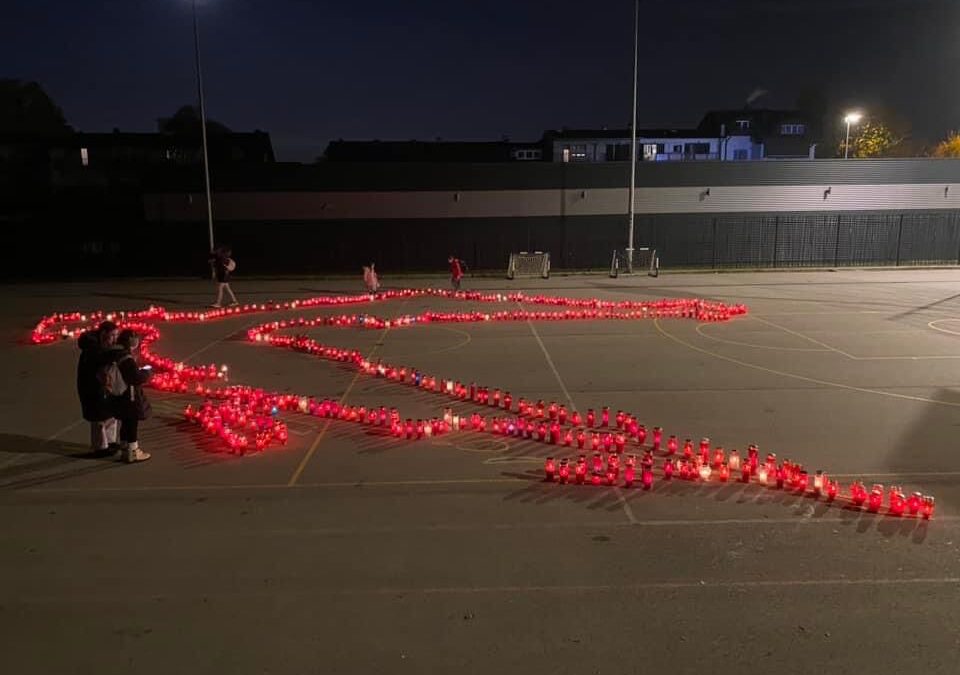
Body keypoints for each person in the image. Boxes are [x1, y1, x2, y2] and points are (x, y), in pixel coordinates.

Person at [108, 329, 153, 463]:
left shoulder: (114, 353)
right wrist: (147, 373)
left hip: (118, 394)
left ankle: (124, 448)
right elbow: (135, 378)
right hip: (129, 395)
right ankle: (133, 451)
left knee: (125, 422)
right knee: (132, 421)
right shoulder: (126, 358)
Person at [76, 320, 120, 455]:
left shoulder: (103, 347)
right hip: (92, 387)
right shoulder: (92, 349)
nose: (114, 339)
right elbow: (99, 361)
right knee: (98, 417)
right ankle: (100, 447)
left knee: (111, 414)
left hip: (106, 386)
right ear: (103, 333)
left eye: (116, 335)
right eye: (112, 335)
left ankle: (110, 441)